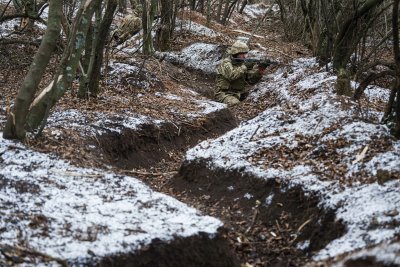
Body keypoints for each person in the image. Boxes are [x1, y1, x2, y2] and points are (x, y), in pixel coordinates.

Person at [215, 40, 265, 106]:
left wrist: (260, 71)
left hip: (239, 93)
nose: (245, 56)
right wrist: (245, 66)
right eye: (242, 54)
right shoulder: (226, 63)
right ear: (236, 53)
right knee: (236, 105)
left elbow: (250, 80)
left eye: (246, 54)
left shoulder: (242, 63)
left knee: (255, 100)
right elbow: (231, 75)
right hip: (224, 94)